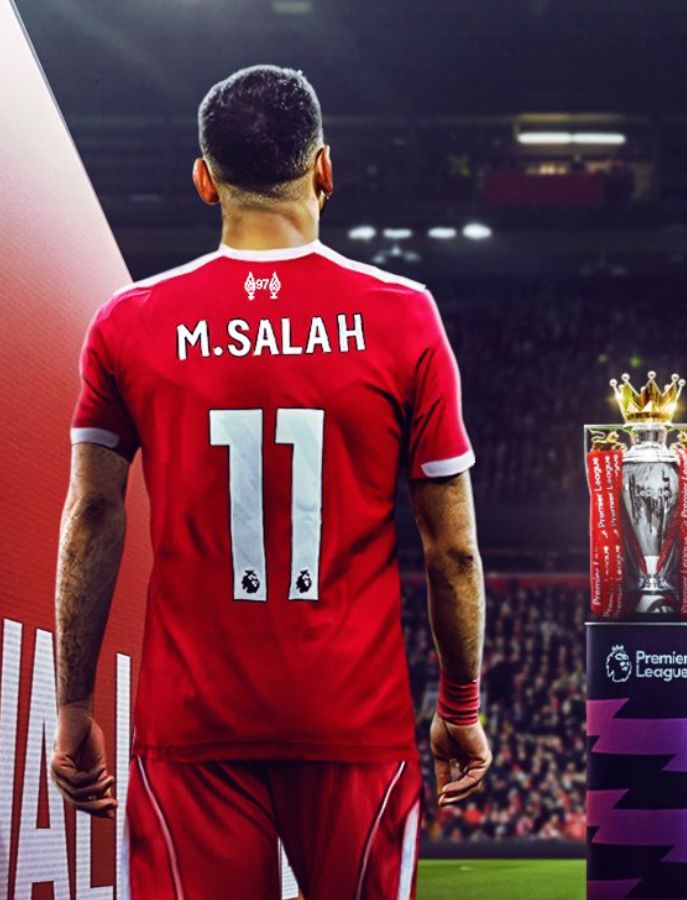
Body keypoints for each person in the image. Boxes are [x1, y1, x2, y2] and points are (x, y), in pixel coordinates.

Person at [51, 64, 490, 899]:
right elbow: (454, 551)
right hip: (354, 724)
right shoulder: (403, 314)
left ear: (204, 179)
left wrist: (74, 704)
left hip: (192, 726)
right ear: (325, 169)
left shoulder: (128, 322)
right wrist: (461, 707)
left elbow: (93, 515)